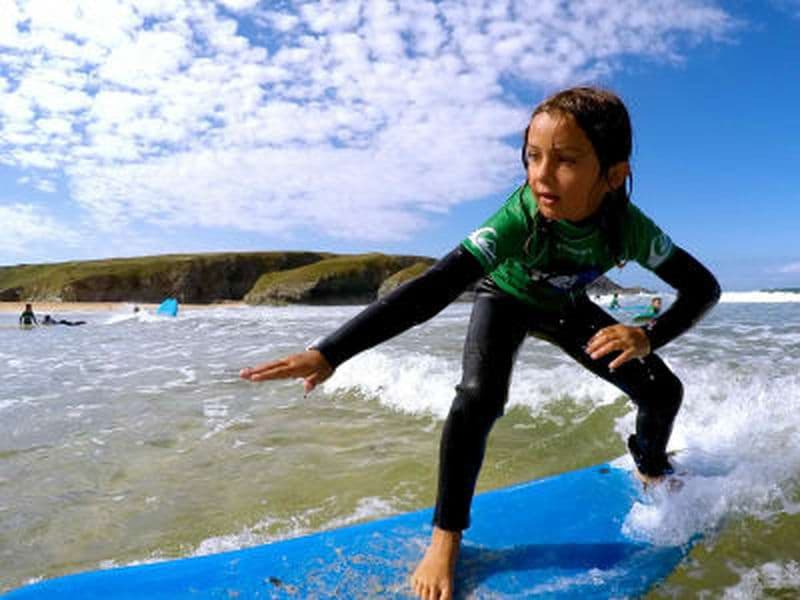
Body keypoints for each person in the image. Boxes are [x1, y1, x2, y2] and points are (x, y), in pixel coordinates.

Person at [239, 87, 720, 600]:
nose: (540, 175)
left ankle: (650, 468)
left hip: (566, 307)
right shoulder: (517, 218)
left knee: (662, 391)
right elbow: (433, 288)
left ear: (613, 175)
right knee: (479, 399)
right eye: (533, 157)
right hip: (505, 298)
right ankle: (446, 537)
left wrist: (648, 336)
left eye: (565, 161)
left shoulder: (631, 230)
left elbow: (702, 288)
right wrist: (330, 352)